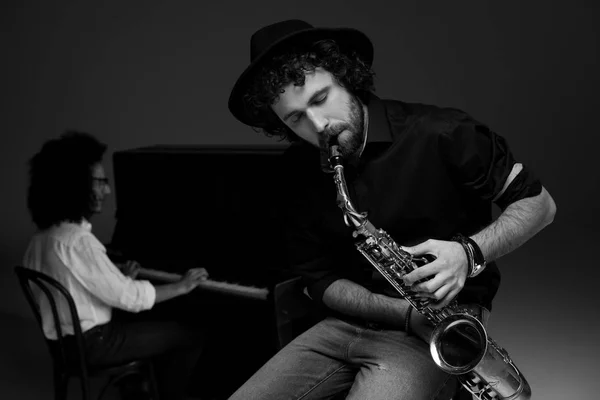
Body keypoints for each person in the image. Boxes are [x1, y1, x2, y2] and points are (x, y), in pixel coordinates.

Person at [225, 19, 557, 400]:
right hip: (342, 326)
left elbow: (540, 204)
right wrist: (400, 312)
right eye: (296, 118)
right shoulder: (296, 170)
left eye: (320, 99)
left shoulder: (442, 132)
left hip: (440, 326)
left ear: (347, 77)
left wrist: (468, 254)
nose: (318, 126)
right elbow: (316, 281)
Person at [23, 131, 208, 400]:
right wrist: (183, 286)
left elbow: (75, 283)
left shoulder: (41, 239)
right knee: (190, 333)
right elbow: (131, 298)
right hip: (95, 345)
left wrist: (116, 276)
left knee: (152, 322)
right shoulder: (78, 241)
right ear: (73, 185)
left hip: (64, 345)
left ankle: (139, 388)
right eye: (98, 182)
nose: (107, 190)